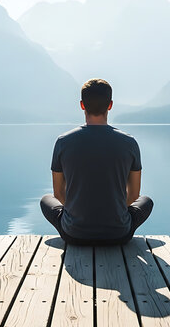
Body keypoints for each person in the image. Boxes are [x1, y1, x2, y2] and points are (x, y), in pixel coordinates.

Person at [40, 78, 153, 245]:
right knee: (146, 201)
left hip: (74, 235)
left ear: (82, 105)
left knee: (46, 200)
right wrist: (115, 210)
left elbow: (58, 193)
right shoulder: (130, 143)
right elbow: (134, 194)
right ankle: (114, 220)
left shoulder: (62, 142)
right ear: (110, 105)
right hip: (118, 235)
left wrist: (78, 212)